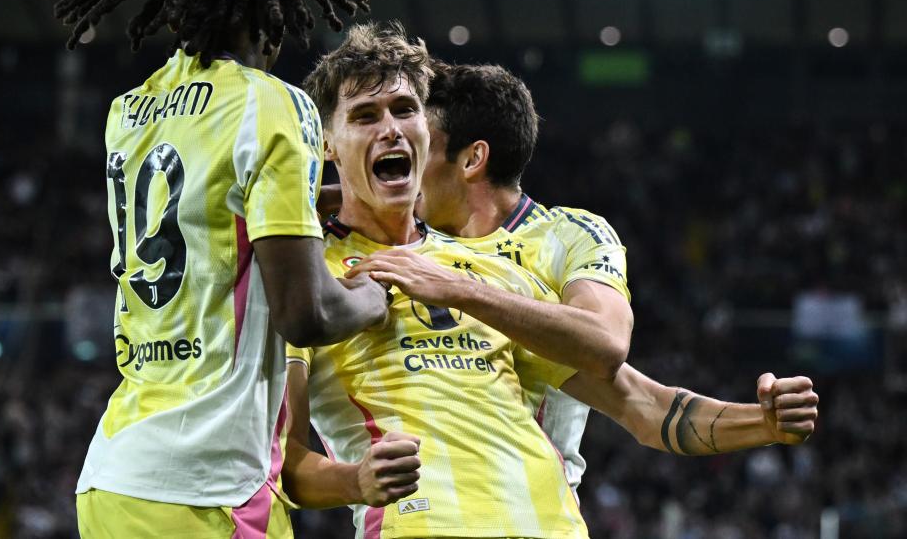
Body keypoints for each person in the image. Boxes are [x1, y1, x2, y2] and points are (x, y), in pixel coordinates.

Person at [28, 0, 390, 538]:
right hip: (209, 485)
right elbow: (306, 313)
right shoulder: (270, 102)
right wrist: (375, 295)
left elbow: (211, 211)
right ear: (271, 9)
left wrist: (321, 201)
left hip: (114, 477)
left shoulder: (128, 111)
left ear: (175, 5)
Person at [350, 61, 817, 497]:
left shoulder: (565, 237)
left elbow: (617, 363)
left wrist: (764, 425)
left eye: (424, 146)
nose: (407, 159)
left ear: (472, 159)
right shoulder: (400, 240)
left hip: (536, 516)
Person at [287, 22, 589, 538]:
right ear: (327, 145)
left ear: (426, 131)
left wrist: (740, 423)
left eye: (405, 110)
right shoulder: (305, 276)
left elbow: (629, 394)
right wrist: (355, 480)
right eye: (365, 116)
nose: (391, 129)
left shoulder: (490, 266)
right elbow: (284, 461)